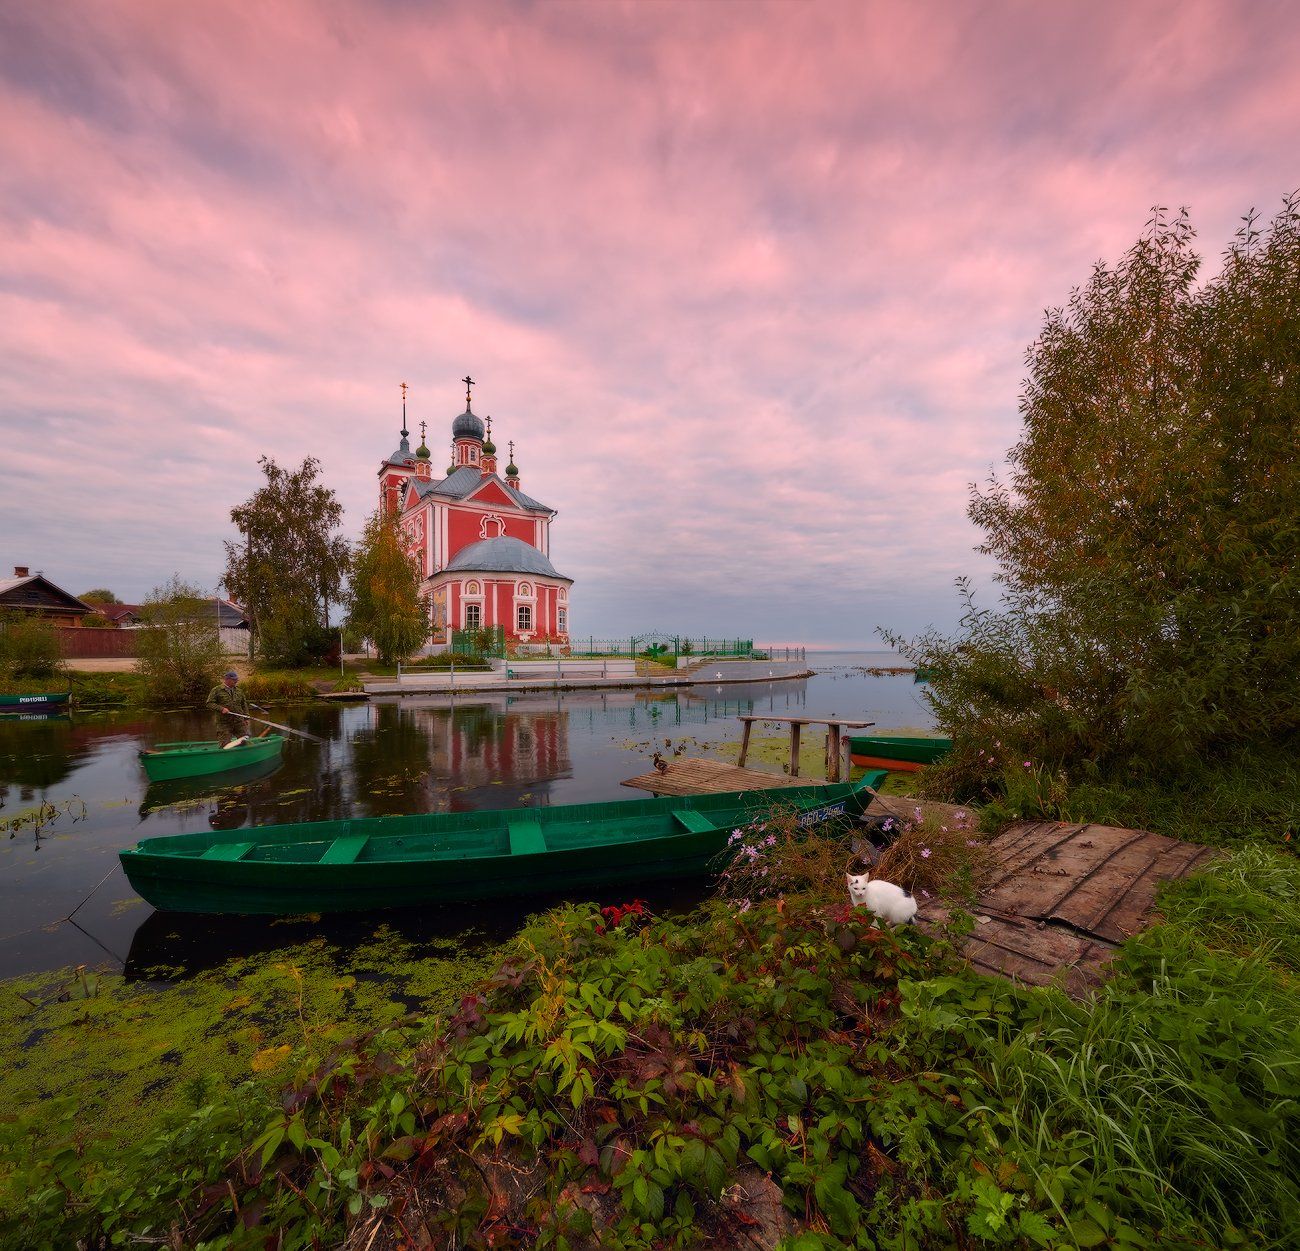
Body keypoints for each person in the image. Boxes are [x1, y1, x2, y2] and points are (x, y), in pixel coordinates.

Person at [206, 670, 264, 742]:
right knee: (225, 744)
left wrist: (246, 717)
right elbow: (209, 703)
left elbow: (244, 705)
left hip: (239, 722)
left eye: (236, 679)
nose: (236, 681)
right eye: (234, 680)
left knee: (245, 741)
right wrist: (221, 709)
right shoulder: (216, 690)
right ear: (227, 679)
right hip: (224, 723)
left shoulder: (239, 691)